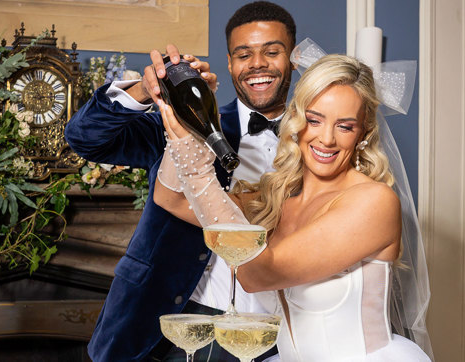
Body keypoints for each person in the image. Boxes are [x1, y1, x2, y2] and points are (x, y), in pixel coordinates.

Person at [154, 53, 432, 361]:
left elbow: (258, 274)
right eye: (314, 120)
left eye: (345, 126)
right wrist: (184, 125)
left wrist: (198, 171)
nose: (326, 139)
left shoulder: (374, 202)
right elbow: (172, 199)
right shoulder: (275, 198)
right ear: (296, 121)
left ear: (363, 133)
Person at [64, 2, 296, 361]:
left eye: (272, 51)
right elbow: (86, 138)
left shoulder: (319, 140)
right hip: (179, 322)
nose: (257, 64)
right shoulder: (184, 122)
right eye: (243, 54)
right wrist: (146, 90)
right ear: (231, 63)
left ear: (292, 58)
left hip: (278, 329)